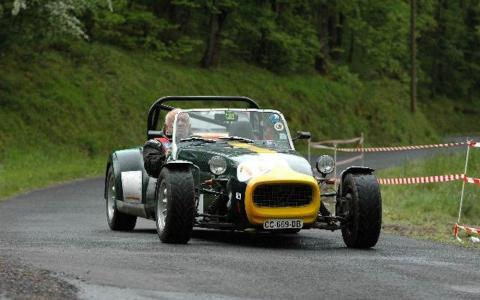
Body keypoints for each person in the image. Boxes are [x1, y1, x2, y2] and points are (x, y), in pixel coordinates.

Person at [143, 109, 190, 178]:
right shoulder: (155, 144)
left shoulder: (199, 143)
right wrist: (166, 157)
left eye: (183, 120)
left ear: (189, 125)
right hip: (167, 183)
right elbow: (152, 167)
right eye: (175, 121)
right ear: (167, 127)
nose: (180, 124)